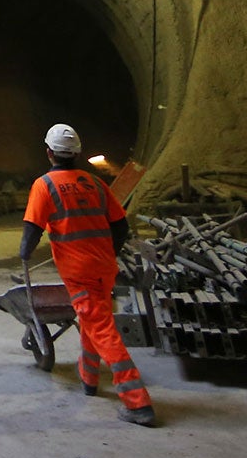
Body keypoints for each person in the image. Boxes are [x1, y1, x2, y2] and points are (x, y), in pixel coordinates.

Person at [19, 124, 157, 427]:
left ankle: (138, 403)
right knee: (96, 321)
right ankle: (89, 379)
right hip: (103, 268)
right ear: (78, 154)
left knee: (103, 330)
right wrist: (109, 252)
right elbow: (120, 226)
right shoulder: (95, 184)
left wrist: (24, 254)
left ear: (49, 153)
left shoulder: (45, 185)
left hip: (78, 273)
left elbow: (32, 230)